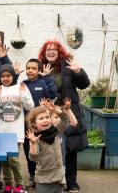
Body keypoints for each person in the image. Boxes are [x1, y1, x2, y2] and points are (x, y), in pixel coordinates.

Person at [38, 40, 90, 193]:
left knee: (70, 147)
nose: (51, 52)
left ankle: (71, 182)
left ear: (59, 51)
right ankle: (50, 180)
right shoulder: (41, 66)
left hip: (67, 109)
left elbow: (84, 84)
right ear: (44, 53)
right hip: (49, 112)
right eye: (48, 50)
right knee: (50, 146)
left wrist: (78, 71)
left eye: (54, 49)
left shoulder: (67, 67)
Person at [0, 64, 34, 193]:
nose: (5, 78)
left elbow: (30, 106)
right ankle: (8, 185)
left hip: (15, 132)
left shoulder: (21, 87)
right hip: (1, 131)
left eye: (8, 76)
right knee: (5, 161)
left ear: (13, 76)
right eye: (3, 76)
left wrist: (23, 94)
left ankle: (19, 185)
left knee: (13, 160)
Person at [22, 58, 57, 188]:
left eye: (33, 68)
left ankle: (46, 176)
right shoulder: (22, 84)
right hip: (28, 125)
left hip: (44, 125)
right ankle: (32, 176)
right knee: (30, 151)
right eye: (28, 68)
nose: (30, 70)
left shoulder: (43, 83)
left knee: (45, 152)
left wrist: (47, 77)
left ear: (38, 71)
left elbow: (52, 93)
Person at [25, 105, 69, 193]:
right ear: (34, 123)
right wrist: (33, 143)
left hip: (58, 177)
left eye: (47, 117)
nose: (45, 120)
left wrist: (55, 109)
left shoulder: (56, 131)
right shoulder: (36, 138)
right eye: (41, 118)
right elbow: (33, 158)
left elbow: (65, 119)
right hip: (44, 180)